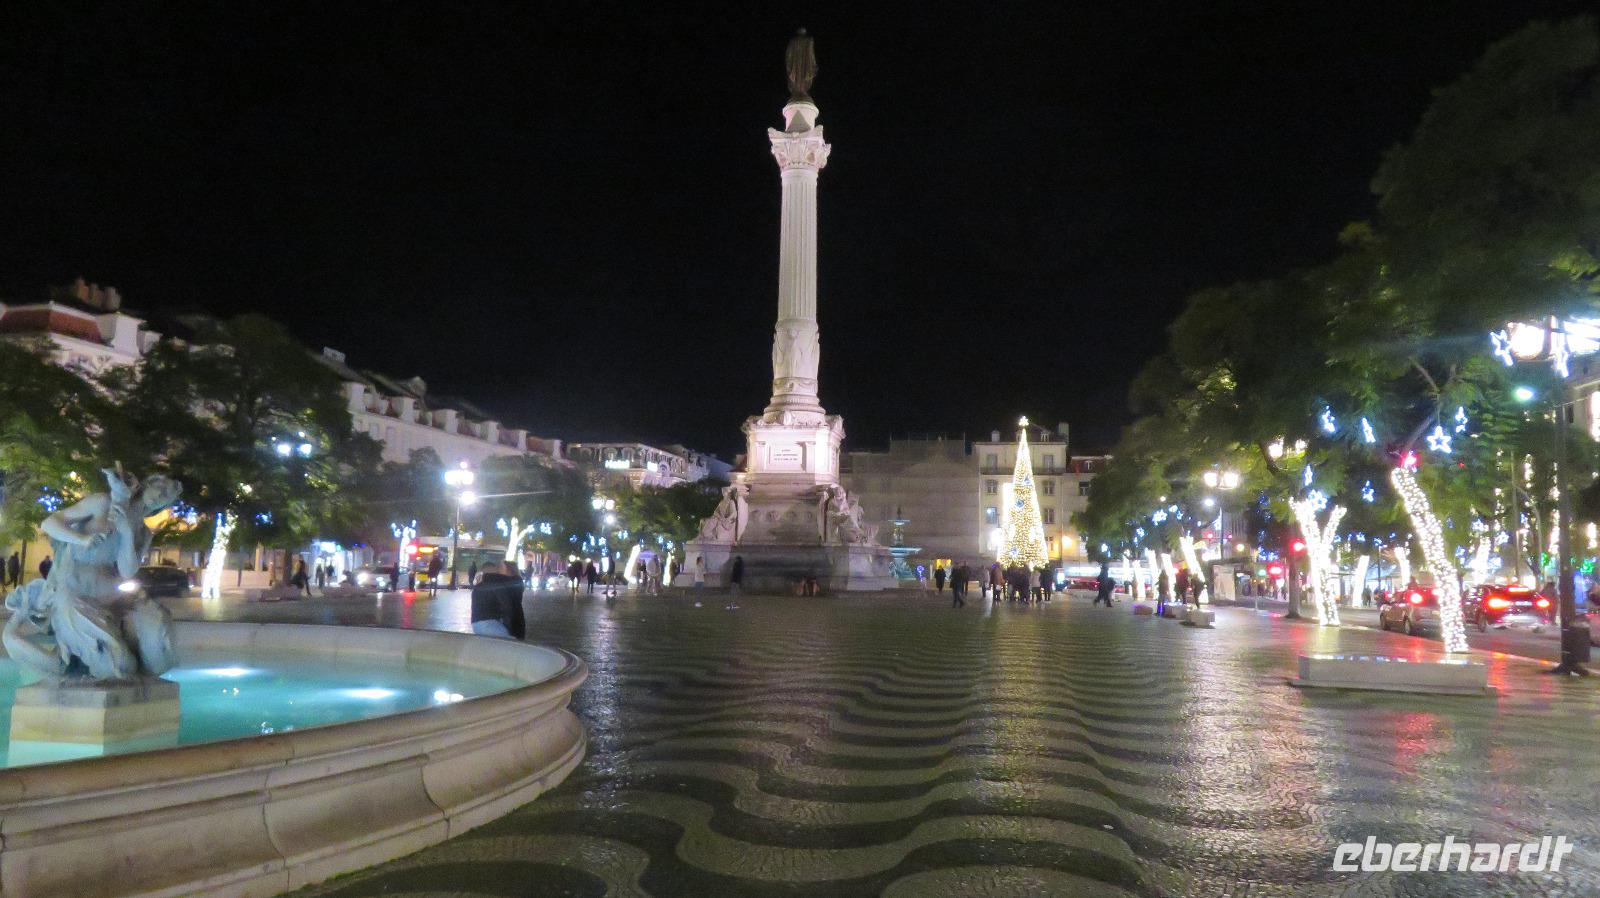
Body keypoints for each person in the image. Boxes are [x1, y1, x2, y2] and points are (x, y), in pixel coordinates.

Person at [469, 561, 526, 640]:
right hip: (489, 623)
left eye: (499, 569)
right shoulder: (499, 583)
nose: (498, 571)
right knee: (511, 646)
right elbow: (508, 607)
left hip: (481, 623)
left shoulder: (486, 583)